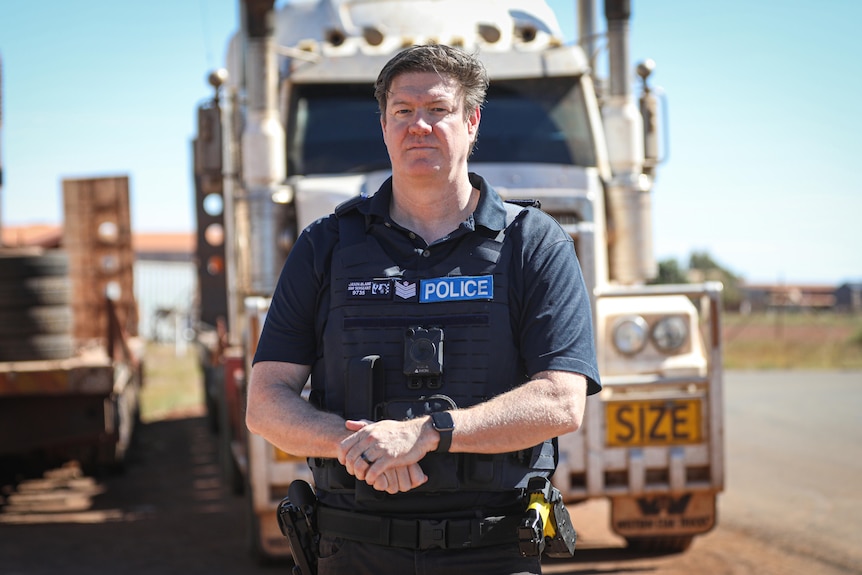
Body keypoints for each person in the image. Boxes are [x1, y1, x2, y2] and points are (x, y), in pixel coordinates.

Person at [246, 44, 601, 575]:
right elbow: (264, 403)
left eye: (438, 110)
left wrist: (425, 433)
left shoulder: (536, 245)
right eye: (403, 112)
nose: (420, 126)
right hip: (351, 549)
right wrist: (358, 444)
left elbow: (561, 403)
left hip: (492, 549)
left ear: (472, 120)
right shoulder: (324, 245)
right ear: (384, 125)